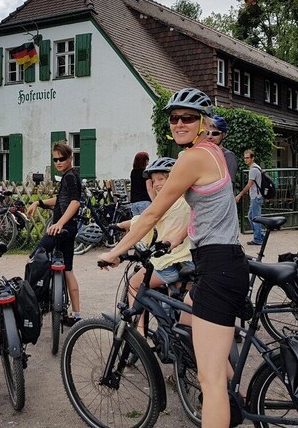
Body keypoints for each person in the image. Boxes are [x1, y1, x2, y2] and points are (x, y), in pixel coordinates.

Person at [98, 87, 248, 428]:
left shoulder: (192, 158)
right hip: (221, 263)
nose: (179, 123)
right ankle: (237, 397)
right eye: (174, 117)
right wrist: (176, 239)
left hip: (219, 268)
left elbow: (151, 214)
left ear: (202, 122)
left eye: (188, 118)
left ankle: (224, 400)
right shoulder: (214, 153)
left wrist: (116, 253)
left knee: (210, 384)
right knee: (189, 327)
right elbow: (205, 214)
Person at [116, 157, 193, 314]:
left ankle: (138, 333)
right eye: (154, 180)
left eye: (161, 179)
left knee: (134, 284)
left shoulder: (170, 202)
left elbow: (146, 220)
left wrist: (120, 225)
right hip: (188, 260)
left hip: (171, 261)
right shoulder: (187, 200)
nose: (157, 184)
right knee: (177, 300)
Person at [27, 142, 83, 325]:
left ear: (70, 158)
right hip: (70, 228)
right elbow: (60, 200)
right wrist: (39, 203)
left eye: (62, 158)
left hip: (63, 228)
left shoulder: (68, 178)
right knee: (67, 270)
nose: (58, 162)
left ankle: (33, 305)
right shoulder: (71, 176)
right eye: (55, 159)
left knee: (34, 259)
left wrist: (59, 223)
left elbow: (75, 203)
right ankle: (76, 316)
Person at [235, 150, 265, 245]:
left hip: (256, 196)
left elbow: (249, 185)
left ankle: (258, 238)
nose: (245, 160)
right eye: (245, 157)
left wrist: (239, 195)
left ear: (252, 158)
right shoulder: (256, 167)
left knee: (255, 218)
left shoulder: (253, 169)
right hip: (257, 196)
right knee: (251, 217)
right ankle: (259, 235)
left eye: (247, 158)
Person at [206, 115, 238, 193]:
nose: (210, 136)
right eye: (207, 133)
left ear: (223, 135)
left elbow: (229, 186)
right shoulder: (204, 154)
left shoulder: (228, 156)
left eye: (215, 133)